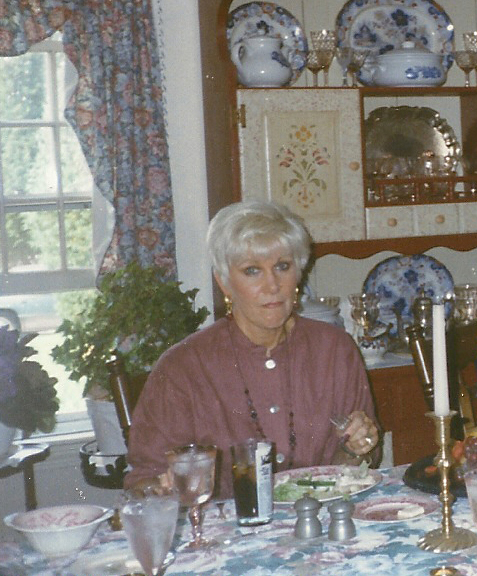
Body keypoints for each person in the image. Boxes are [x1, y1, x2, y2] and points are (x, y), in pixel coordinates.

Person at [125, 200, 381, 496]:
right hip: (227, 524)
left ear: (298, 273)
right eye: (252, 271)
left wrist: (356, 447)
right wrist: (164, 488)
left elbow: (353, 468)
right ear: (224, 283)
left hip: (322, 518)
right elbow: (143, 482)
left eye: (282, 267)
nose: (272, 285)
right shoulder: (182, 368)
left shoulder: (335, 350)